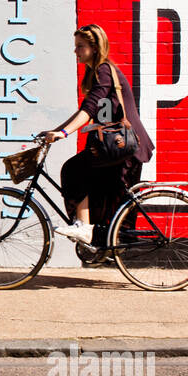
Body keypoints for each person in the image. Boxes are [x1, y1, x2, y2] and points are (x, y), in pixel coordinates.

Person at [43, 24, 153, 247]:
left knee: (74, 169)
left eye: (80, 46)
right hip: (116, 146)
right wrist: (57, 129)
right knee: (102, 197)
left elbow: (89, 110)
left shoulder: (103, 70)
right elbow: (85, 108)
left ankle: (84, 227)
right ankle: (99, 237)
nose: (75, 51)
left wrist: (63, 133)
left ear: (94, 48)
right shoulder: (96, 72)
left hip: (125, 145)